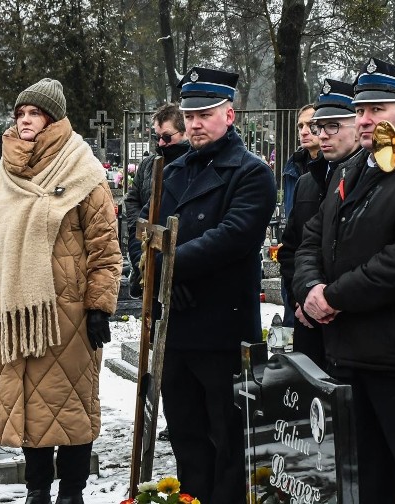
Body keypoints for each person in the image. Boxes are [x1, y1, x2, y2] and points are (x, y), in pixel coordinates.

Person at [292, 58, 395, 504]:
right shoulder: (349, 170)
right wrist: (309, 289)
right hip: (348, 353)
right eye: (360, 110)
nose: (365, 120)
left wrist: (334, 297)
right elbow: (311, 240)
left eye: (377, 110)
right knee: (366, 485)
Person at [0, 78, 122, 504]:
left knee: (68, 405)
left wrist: (99, 307)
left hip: (65, 314)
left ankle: (71, 491)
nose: (25, 120)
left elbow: (105, 248)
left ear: (53, 118)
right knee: (27, 405)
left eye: (35, 113)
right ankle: (36, 491)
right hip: (15, 314)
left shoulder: (83, 170)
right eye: (20, 113)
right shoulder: (1, 176)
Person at [128, 66, 276, 502]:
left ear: (229, 115)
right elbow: (143, 232)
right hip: (176, 329)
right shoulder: (171, 172)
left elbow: (231, 237)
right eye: (189, 115)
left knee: (228, 441)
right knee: (187, 438)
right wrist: (154, 280)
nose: (194, 123)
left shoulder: (251, 173)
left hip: (221, 329)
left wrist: (167, 268)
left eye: (205, 114)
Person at [278, 79, 362, 368]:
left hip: (354, 328)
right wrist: (302, 299)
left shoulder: (370, 180)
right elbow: (291, 249)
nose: (322, 135)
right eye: (318, 127)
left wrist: (329, 300)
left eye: (332, 126)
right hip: (309, 326)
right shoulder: (306, 183)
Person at [124, 103, 190, 299]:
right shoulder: (148, 164)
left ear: (184, 132)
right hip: (146, 248)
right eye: (157, 137)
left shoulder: (192, 164)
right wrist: (140, 245)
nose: (161, 143)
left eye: (167, 137)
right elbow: (133, 200)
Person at [278, 104, 320, 327]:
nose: (304, 131)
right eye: (300, 126)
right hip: (294, 269)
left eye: (310, 125)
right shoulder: (293, 165)